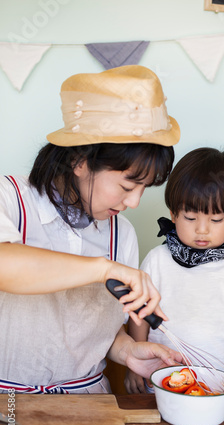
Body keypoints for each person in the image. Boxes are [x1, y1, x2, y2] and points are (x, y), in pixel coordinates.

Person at [0, 65, 183, 394]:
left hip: (90, 403)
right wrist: (103, 268)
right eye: (128, 185)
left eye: (145, 188)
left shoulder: (120, 234)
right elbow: (4, 264)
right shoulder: (9, 200)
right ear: (80, 160)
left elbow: (95, 331)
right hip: (8, 405)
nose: (135, 202)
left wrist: (127, 351)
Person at [125, 147, 224, 407]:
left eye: (216, 219)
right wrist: (133, 365)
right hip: (160, 381)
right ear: (173, 214)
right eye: (190, 217)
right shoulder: (157, 260)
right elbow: (140, 313)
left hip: (217, 386)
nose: (202, 229)